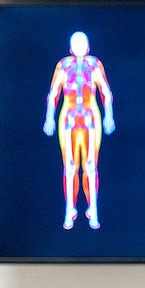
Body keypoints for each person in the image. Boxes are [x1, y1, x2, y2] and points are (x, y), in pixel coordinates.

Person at [43, 31, 115, 230]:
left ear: (88, 46)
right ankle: (70, 209)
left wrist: (109, 115)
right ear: (70, 47)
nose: (80, 47)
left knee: (91, 166)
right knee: (70, 167)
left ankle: (93, 210)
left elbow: (106, 92)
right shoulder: (64, 65)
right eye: (76, 44)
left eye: (83, 43)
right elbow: (53, 93)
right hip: (69, 117)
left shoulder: (94, 64)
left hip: (91, 117)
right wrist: (49, 117)